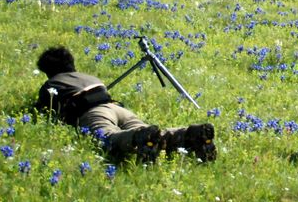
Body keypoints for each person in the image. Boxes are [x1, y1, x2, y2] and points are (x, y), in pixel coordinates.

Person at [35, 46, 216, 163]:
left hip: (93, 113)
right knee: (153, 134)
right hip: (118, 108)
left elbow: (44, 109)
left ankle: (137, 137)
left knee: (108, 137)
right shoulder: (89, 77)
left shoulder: (52, 84)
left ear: (48, 71)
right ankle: (187, 134)